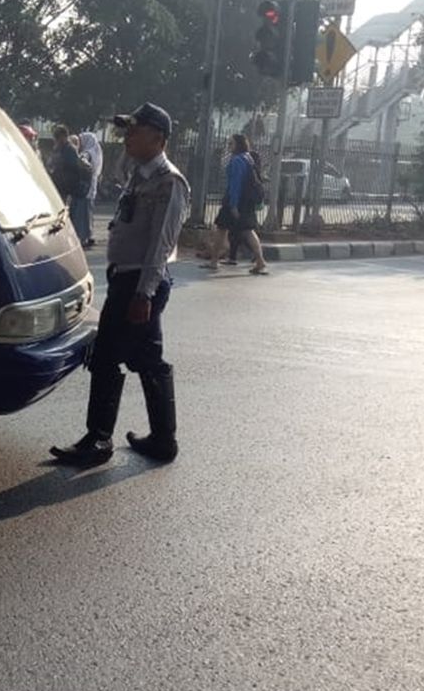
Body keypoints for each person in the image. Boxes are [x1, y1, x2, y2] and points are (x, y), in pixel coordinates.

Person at [50, 102, 189, 467]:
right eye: (126, 130)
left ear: (158, 139)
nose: (126, 136)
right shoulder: (139, 174)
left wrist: (143, 293)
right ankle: (162, 439)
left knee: (107, 356)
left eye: (135, 130)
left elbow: (161, 243)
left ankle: (98, 440)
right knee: (148, 358)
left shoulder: (169, 183)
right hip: (127, 278)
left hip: (140, 283)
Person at [205, 134, 268, 275]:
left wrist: (233, 205)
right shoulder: (249, 158)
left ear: (238, 145)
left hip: (235, 201)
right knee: (247, 230)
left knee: (222, 228)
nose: (229, 147)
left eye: (231, 144)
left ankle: (214, 261)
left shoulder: (237, 160)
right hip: (247, 201)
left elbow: (235, 184)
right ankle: (260, 261)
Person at [76, 132, 103, 249]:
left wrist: (82, 163)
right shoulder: (97, 152)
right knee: (89, 213)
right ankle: (88, 235)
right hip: (92, 186)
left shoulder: (88, 152)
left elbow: (83, 159)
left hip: (85, 187)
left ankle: (83, 238)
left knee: (82, 214)